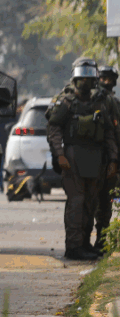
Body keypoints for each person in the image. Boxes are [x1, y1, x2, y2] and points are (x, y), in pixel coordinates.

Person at [47, 58, 120, 261]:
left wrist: (113, 159)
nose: (85, 83)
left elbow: (109, 133)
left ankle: (85, 243)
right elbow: (54, 128)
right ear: (75, 80)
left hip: (96, 160)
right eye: (82, 79)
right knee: (76, 203)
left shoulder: (100, 103)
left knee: (91, 203)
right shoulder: (67, 103)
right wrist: (60, 154)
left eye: (89, 79)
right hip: (72, 159)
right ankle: (73, 246)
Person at [95, 65, 120, 251]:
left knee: (105, 201)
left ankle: (101, 241)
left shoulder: (114, 103)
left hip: (109, 158)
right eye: (103, 79)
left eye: (110, 79)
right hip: (94, 158)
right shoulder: (94, 99)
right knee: (91, 202)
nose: (106, 83)